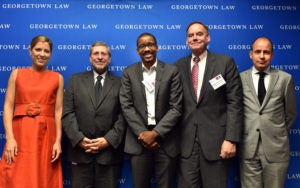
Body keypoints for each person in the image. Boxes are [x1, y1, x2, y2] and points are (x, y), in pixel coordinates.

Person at [174, 21, 243, 188]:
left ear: (208, 37)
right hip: (186, 145)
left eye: (199, 34)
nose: (195, 38)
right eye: (191, 35)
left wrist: (230, 138)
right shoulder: (177, 66)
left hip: (217, 144)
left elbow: (235, 102)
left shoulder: (224, 62)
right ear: (186, 41)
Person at [119, 32, 183, 188]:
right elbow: (126, 106)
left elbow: (176, 107)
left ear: (157, 47)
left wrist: (155, 134)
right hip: (138, 141)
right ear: (137, 51)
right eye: (142, 46)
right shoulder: (128, 73)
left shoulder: (171, 71)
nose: (147, 49)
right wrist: (143, 135)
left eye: (150, 45)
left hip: (166, 141)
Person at [0, 35, 64, 188]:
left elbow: (58, 111)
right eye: (38, 50)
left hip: (46, 135)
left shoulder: (57, 78)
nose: (42, 54)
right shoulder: (17, 74)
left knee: (44, 176)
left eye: (46, 51)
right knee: (18, 176)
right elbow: (8, 107)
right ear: (30, 51)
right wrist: (10, 138)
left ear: (51, 54)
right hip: (20, 133)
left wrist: (57, 141)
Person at [62, 41, 125, 188]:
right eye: (96, 53)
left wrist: (108, 140)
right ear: (90, 58)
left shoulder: (121, 83)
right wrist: (79, 139)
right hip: (80, 154)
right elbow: (67, 113)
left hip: (109, 155)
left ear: (109, 58)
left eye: (104, 54)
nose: (100, 57)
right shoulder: (75, 80)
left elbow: (124, 116)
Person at [238, 36, 297, 188]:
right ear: (251, 54)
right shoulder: (239, 79)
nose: (262, 56)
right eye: (258, 52)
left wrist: (277, 133)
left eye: (266, 52)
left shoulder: (285, 79)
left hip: (276, 149)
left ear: (272, 55)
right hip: (248, 148)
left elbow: (290, 114)